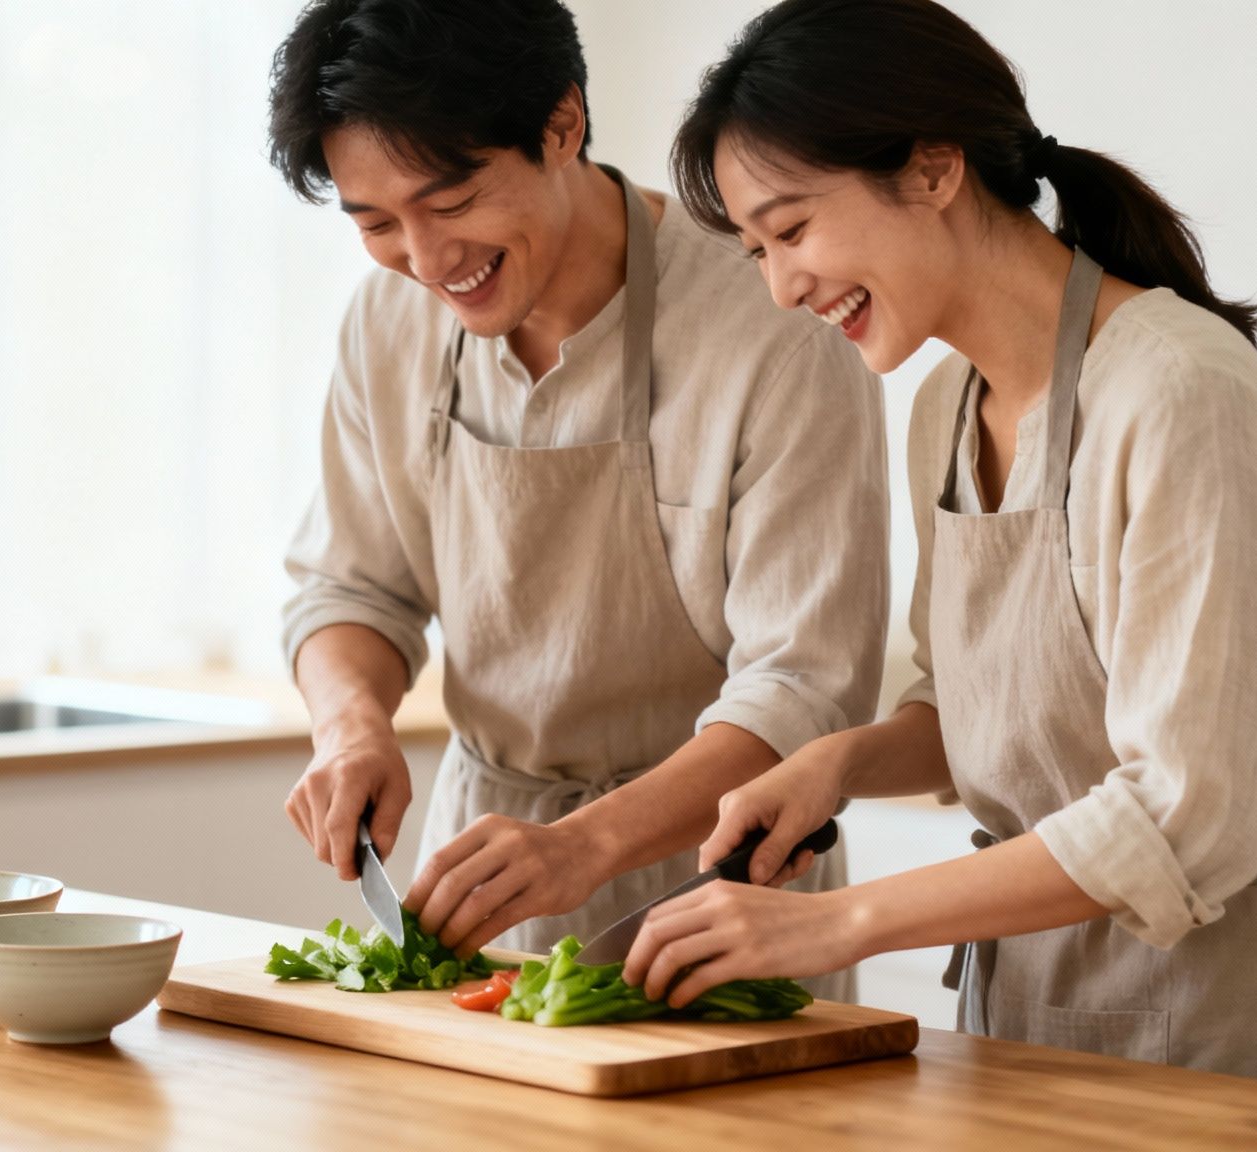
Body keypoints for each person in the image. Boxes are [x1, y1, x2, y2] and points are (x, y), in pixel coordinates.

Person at [623, 0, 1257, 1098]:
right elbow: (981, 708)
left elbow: (1186, 814)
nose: (781, 288)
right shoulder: (946, 405)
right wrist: (835, 763)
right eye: (754, 251)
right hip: (1023, 1020)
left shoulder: (1178, 391)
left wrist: (838, 926)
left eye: (791, 230)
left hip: (1229, 1028)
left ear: (933, 169)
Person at [268, 0, 887, 999]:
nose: (426, 262)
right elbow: (350, 587)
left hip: (724, 877)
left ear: (560, 126)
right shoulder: (389, 319)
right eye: (376, 222)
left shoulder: (771, 315)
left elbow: (803, 687)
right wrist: (353, 727)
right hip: (480, 868)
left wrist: (583, 846)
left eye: (450, 200)